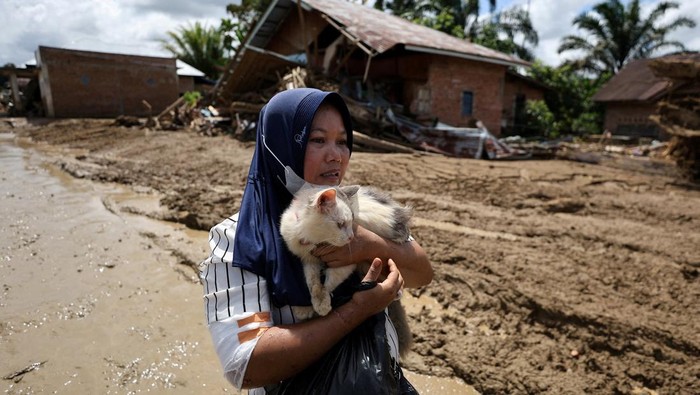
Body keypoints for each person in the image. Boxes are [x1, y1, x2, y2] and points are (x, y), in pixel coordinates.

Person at [200, 88, 433, 393]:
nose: (336, 155)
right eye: (317, 140)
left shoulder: (352, 209)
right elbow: (246, 365)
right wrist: (356, 311)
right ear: (279, 145)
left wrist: (371, 246)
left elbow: (421, 274)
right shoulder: (238, 239)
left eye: (343, 142)